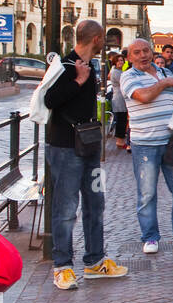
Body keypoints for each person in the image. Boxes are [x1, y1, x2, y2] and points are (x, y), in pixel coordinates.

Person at [44, 19, 129, 289]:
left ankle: (94, 262)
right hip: (65, 147)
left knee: (96, 203)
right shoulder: (66, 65)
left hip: (89, 145)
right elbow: (49, 100)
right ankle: (62, 267)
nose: (105, 42)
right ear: (96, 39)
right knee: (66, 207)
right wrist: (79, 81)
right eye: (103, 38)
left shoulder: (90, 65)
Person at [121, 39, 173, 254]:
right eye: (137, 52)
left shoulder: (164, 74)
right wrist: (164, 84)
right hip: (145, 145)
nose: (143, 55)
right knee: (147, 194)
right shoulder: (129, 77)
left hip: (172, 142)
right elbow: (143, 97)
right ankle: (150, 238)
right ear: (129, 57)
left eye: (146, 50)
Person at [108, 52, 129, 152]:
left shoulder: (119, 71)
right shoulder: (116, 72)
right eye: (119, 60)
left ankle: (120, 140)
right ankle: (120, 141)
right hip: (119, 98)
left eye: (122, 60)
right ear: (115, 62)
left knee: (123, 119)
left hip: (121, 98)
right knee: (121, 119)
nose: (121, 62)